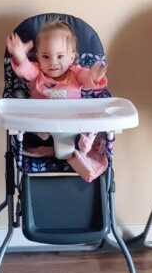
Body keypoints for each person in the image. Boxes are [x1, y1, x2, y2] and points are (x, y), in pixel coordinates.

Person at [6, 21, 108, 177]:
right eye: (46, 56)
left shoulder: (76, 73)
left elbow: (86, 78)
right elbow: (25, 68)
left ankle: (86, 141)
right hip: (43, 126)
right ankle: (71, 150)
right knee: (38, 130)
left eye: (60, 56)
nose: (53, 62)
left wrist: (93, 76)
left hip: (73, 125)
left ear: (72, 56)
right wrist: (20, 55)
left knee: (94, 121)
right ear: (38, 57)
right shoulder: (37, 73)